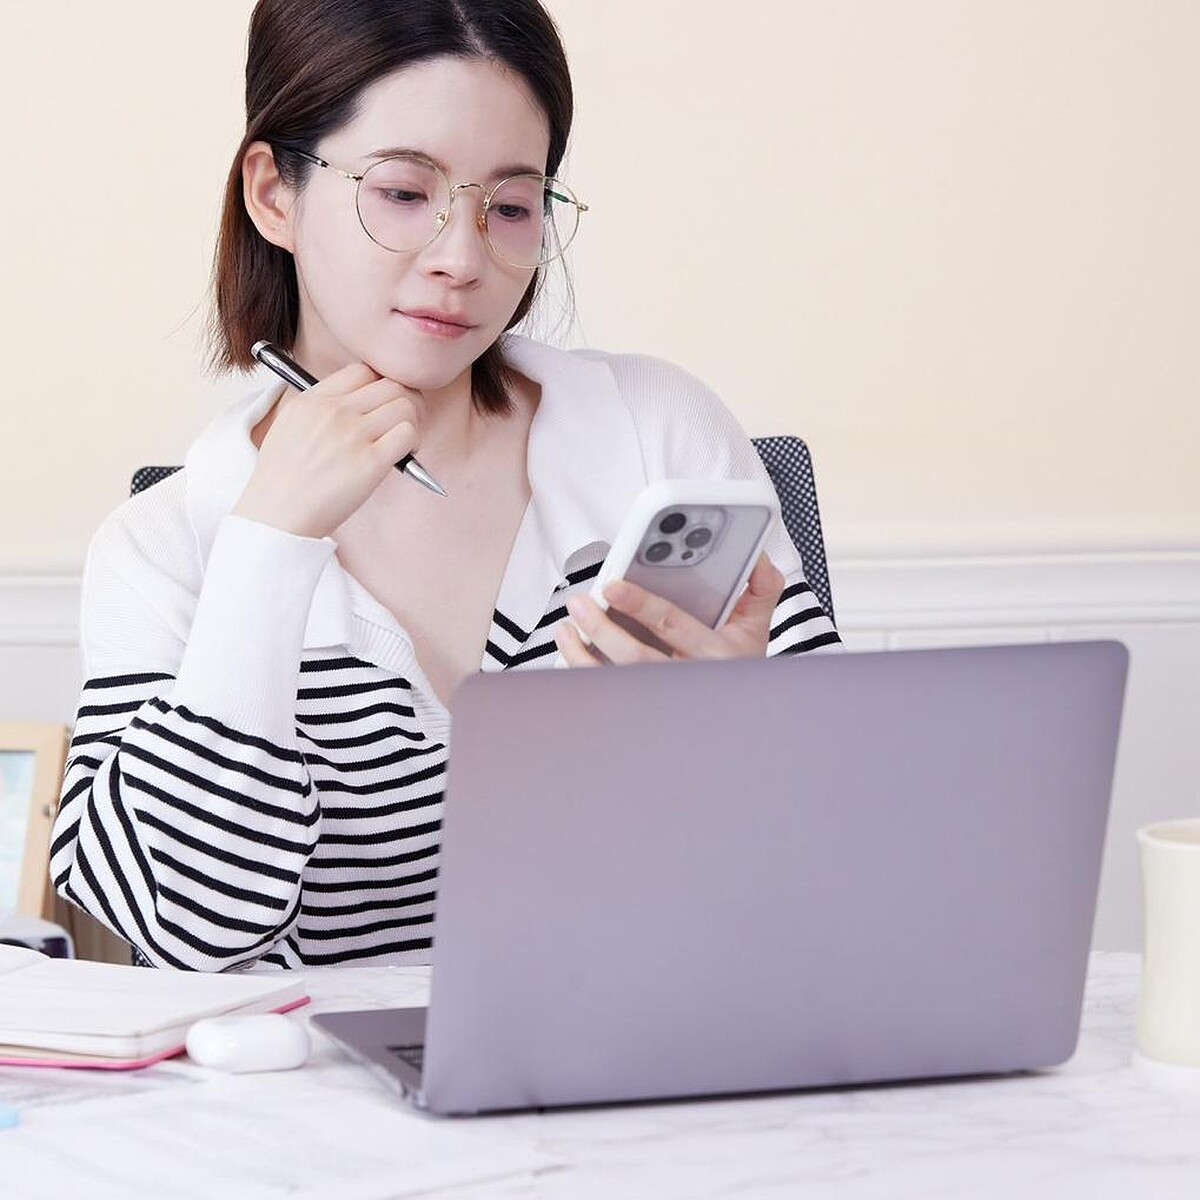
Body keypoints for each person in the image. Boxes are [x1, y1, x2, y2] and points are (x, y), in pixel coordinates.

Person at [50, 0, 840, 971]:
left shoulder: (652, 432)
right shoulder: (166, 545)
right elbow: (188, 932)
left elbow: (844, 842)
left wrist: (743, 724)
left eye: (510, 208)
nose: (462, 259)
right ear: (273, 195)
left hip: (649, 1036)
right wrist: (268, 544)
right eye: (401, 192)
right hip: (320, 1066)